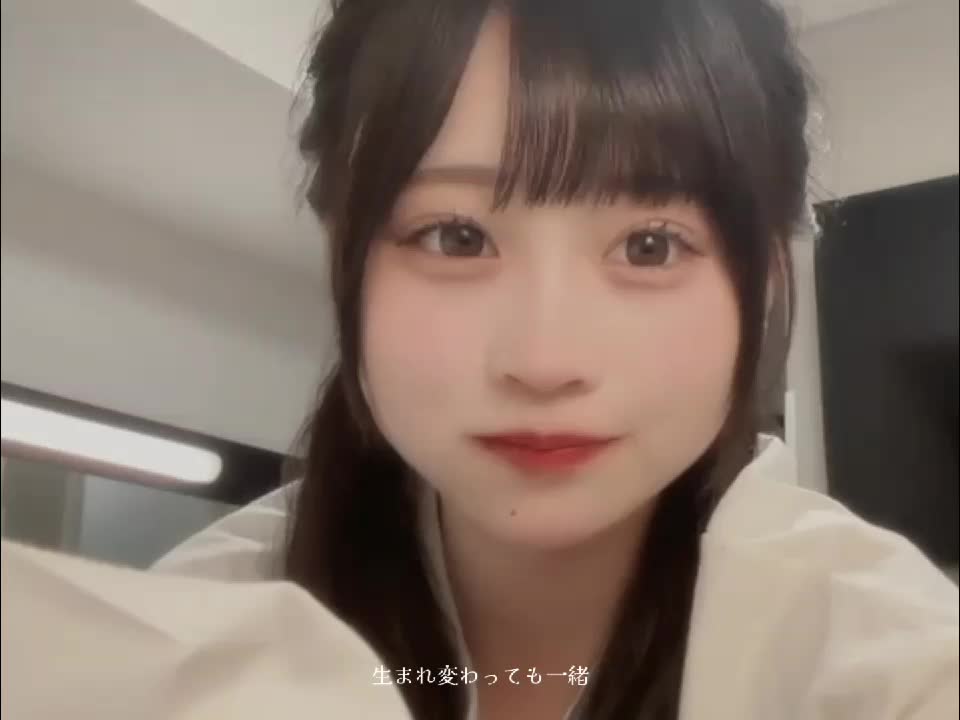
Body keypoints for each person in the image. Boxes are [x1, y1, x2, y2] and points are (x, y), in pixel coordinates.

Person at [155, 1, 959, 718]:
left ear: (767, 283)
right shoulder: (182, 647)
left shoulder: (887, 664)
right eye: (456, 237)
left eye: (650, 246)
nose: (545, 361)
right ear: (345, 258)